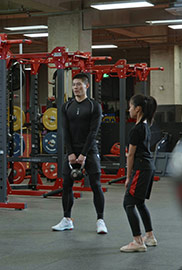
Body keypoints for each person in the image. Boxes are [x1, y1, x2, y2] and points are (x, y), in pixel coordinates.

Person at [52, 73, 108, 234]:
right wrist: (70, 152)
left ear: (87, 86)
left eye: (79, 85)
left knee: (96, 185)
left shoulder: (93, 106)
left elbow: (93, 132)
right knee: (66, 185)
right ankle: (66, 220)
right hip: (71, 151)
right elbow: (65, 130)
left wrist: (83, 154)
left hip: (89, 151)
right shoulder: (66, 106)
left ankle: (100, 221)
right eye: (74, 85)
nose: (76, 87)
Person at [120, 94, 158, 253]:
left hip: (141, 168)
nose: (129, 109)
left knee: (128, 203)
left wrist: (128, 177)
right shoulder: (145, 125)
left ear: (138, 109)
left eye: (130, 106)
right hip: (148, 167)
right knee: (140, 202)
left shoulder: (136, 129)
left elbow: (130, 155)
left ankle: (137, 241)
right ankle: (149, 236)